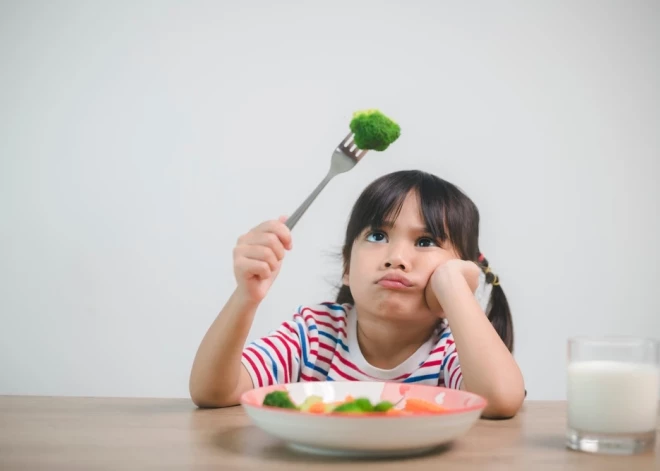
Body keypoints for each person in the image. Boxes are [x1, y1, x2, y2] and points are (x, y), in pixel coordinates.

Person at [189, 170, 525, 418]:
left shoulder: (452, 349)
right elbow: (213, 392)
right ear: (347, 267)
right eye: (378, 236)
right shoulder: (315, 334)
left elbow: (500, 400)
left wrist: (454, 288)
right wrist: (246, 296)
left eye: (425, 242)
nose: (396, 257)